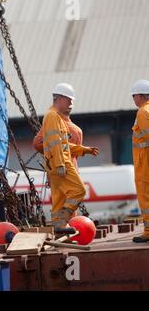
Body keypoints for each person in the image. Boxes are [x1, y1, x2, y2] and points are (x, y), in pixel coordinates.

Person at [41, 83, 98, 232]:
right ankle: (62, 221)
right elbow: (55, 144)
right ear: (59, 99)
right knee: (79, 190)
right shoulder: (53, 116)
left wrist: (83, 149)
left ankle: (58, 229)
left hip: (55, 164)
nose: (71, 104)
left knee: (59, 199)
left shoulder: (55, 117)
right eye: (69, 100)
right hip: (61, 163)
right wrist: (60, 164)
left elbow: (64, 144)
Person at [130, 80, 149, 243]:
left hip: (145, 165)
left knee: (146, 198)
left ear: (140, 96)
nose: (133, 99)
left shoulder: (143, 112)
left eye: (134, 96)